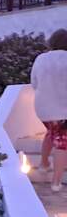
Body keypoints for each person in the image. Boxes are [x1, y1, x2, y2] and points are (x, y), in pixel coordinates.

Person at [31, 28, 67, 191]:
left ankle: (44, 164)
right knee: (62, 144)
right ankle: (56, 182)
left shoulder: (41, 59)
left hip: (43, 109)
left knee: (51, 133)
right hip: (63, 109)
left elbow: (34, 83)